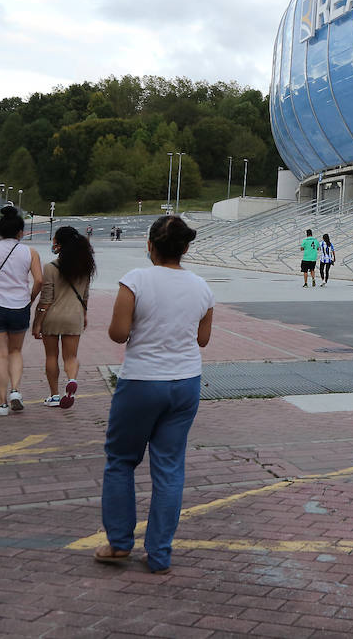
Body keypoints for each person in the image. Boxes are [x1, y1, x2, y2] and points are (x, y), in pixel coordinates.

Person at [96, 215, 214, 573]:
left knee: (121, 460)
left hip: (143, 382)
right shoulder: (202, 287)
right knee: (169, 468)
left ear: (150, 246)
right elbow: (202, 340)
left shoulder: (135, 280)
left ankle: (119, 544)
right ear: (186, 248)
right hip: (186, 383)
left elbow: (118, 334)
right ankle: (160, 553)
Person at [0, 205, 44, 416]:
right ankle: (15, 391)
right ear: (21, 232)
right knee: (15, 351)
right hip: (19, 307)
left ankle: (2, 404)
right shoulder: (30, 252)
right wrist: (29, 299)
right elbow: (39, 280)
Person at [32, 226, 95, 408]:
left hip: (52, 317)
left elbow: (45, 300)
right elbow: (85, 296)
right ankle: (72, 379)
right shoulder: (85, 267)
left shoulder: (50, 268)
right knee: (71, 357)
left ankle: (54, 395)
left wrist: (37, 323)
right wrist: (83, 315)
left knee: (51, 356)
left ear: (59, 245)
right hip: (74, 316)